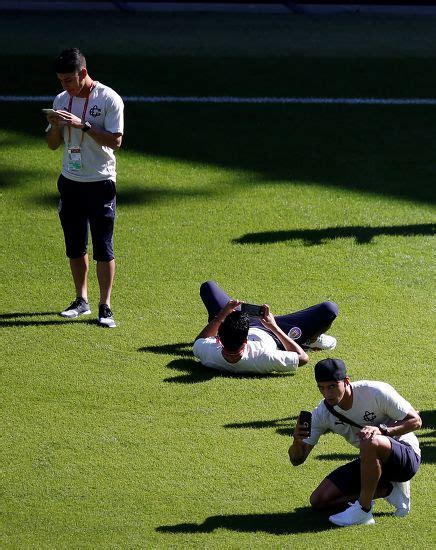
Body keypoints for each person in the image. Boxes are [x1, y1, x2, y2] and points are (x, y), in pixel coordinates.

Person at [288, 358, 421, 527]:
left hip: (405, 457)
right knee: (319, 500)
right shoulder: (322, 413)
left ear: (346, 381)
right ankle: (387, 490)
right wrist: (297, 441)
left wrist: (382, 430)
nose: (327, 394)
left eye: (332, 386)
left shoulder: (375, 391)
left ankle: (363, 511)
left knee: (369, 440)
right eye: (321, 388)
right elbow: (297, 460)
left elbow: (415, 421)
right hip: (371, 461)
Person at [45, 48, 124, 328]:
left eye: (68, 80)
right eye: (60, 80)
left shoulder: (108, 98)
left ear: (83, 73)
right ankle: (81, 300)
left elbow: (115, 141)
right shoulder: (61, 100)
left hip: (100, 182)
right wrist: (55, 126)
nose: (64, 86)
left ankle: (106, 306)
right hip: (70, 181)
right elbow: (54, 144)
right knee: (75, 246)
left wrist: (84, 125)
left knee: (104, 247)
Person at [192, 280, 338, 375]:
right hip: (275, 333)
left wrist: (223, 314)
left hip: (237, 322)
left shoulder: (210, 353)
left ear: (219, 340)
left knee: (208, 287)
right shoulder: (264, 357)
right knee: (329, 309)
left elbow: (199, 341)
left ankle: (220, 319)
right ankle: (309, 340)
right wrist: (274, 327)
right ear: (245, 342)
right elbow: (303, 358)